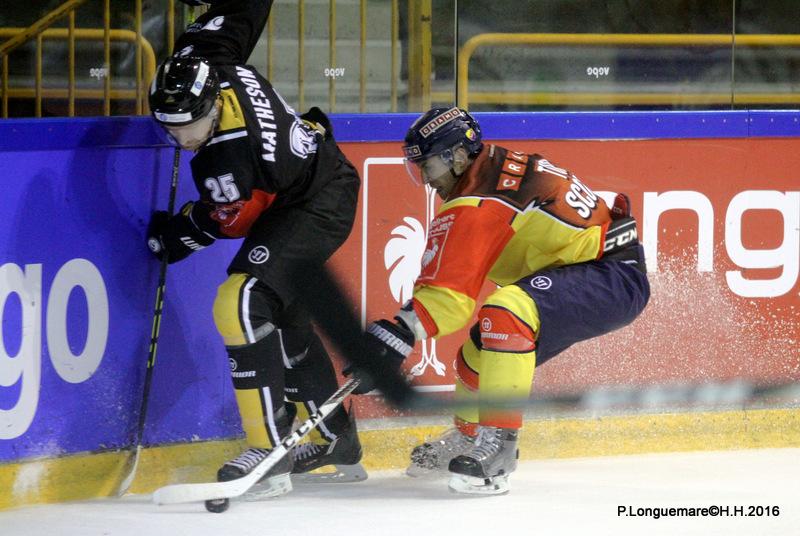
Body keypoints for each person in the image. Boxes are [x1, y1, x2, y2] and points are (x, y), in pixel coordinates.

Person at [356, 107, 650, 495]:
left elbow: (448, 297)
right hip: (595, 269)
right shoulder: (489, 171)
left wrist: (399, 332)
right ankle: (469, 437)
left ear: (457, 156)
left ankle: (499, 450)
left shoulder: (481, 198)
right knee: (475, 357)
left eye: (427, 166)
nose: (426, 180)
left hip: (611, 276)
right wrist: (402, 330)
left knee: (507, 311)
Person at [145, 0, 365, 504]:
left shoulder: (228, 159)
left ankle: (269, 451)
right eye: (168, 127)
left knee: (242, 301)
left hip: (317, 202)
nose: (180, 138)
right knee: (285, 318)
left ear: (213, 105)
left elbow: (230, 220)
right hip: (307, 180)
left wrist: (176, 235)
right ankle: (336, 439)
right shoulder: (205, 58)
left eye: (188, 127)